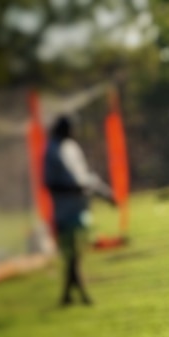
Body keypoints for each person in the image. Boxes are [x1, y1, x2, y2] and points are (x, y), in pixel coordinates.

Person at [43, 115, 114, 306]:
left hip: (81, 207)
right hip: (65, 211)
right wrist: (73, 188)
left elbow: (84, 177)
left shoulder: (71, 147)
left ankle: (67, 296)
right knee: (74, 254)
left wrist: (105, 193)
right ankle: (81, 295)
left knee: (77, 253)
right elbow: (50, 183)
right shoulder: (51, 151)